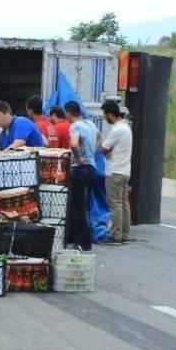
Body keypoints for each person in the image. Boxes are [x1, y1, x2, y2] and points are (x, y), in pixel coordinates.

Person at [64, 101, 97, 251]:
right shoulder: (89, 124)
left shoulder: (75, 126)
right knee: (85, 206)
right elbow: (100, 137)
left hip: (79, 169)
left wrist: (78, 158)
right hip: (91, 169)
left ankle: (82, 241)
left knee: (77, 207)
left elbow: (74, 144)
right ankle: (86, 239)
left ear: (69, 113)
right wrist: (91, 154)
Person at [99, 100, 133, 244]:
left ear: (111, 114)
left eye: (105, 115)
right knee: (124, 204)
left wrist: (101, 144)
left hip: (114, 172)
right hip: (125, 171)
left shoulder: (117, 129)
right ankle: (124, 234)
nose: (105, 118)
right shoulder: (126, 128)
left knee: (115, 204)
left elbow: (103, 149)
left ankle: (115, 235)